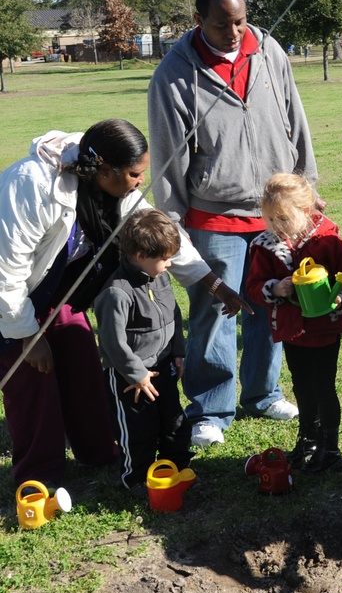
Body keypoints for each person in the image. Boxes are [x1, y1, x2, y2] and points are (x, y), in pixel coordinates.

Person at [0, 120, 245, 490]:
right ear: (103, 168)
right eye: (133, 174)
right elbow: (7, 269)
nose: (137, 182)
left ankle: (98, 453)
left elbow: (158, 231)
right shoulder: (31, 184)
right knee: (32, 377)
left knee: (81, 362)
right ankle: (39, 478)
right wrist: (28, 336)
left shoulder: (117, 185)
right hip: (13, 295)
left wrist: (214, 284)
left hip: (60, 290)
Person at [148, 0, 317, 447]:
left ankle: (263, 394)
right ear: (199, 20)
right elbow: (166, 155)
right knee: (216, 310)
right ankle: (211, 408)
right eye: (223, 24)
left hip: (274, 211)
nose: (235, 32)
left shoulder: (267, 50)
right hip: (212, 215)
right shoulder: (173, 74)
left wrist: (307, 184)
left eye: (240, 21)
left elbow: (294, 116)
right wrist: (172, 222)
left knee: (273, 300)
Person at [246, 174, 342, 474]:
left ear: (307, 210)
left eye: (284, 217)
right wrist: (275, 288)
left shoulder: (327, 239)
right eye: (270, 218)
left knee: (324, 386)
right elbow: (253, 287)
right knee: (301, 387)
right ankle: (308, 439)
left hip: (324, 327)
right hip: (292, 330)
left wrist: (341, 299)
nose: (277, 225)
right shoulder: (265, 245)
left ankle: (331, 445)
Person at [94, 209, 193, 498]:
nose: (169, 263)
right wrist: (136, 375)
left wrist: (177, 350)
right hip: (131, 379)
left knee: (174, 420)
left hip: (162, 367)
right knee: (138, 430)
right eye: (164, 258)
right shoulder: (117, 293)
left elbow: (173, 311)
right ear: (139, 255)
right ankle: (136, 478)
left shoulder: (158, 276)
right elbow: (112, 342)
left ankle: (176, 466)